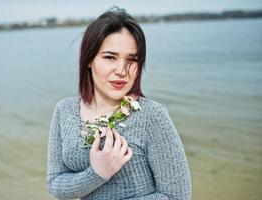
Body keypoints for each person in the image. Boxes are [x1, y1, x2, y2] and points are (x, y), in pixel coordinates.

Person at [46, 7, 192, 200]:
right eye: (109, 57)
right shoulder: (64, 110)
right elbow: (56, 183)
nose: (122, 71)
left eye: (132, 59)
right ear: (89, 59)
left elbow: (178, 197)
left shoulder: (153, 115)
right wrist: (97, 173)